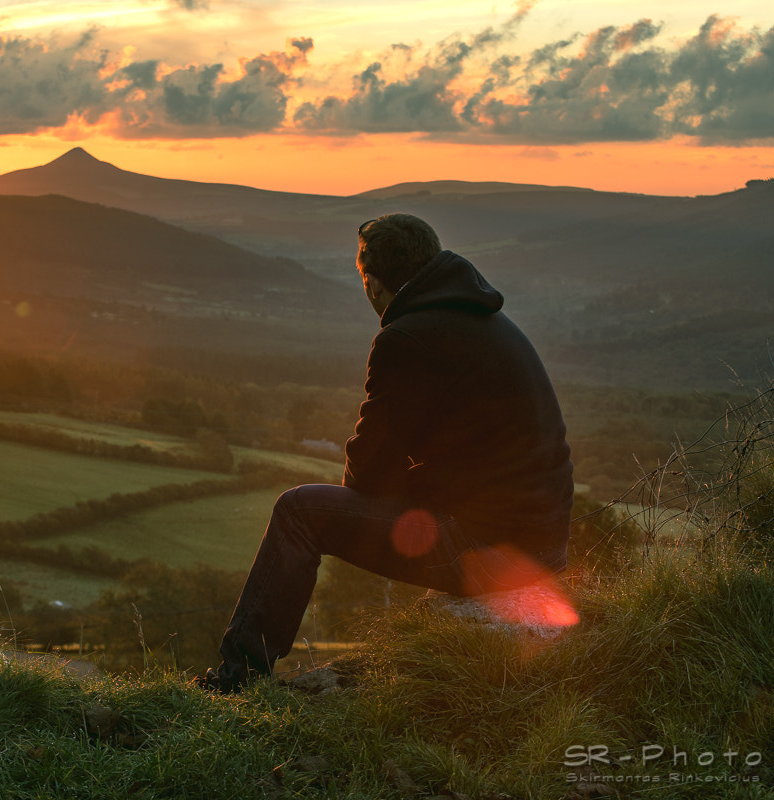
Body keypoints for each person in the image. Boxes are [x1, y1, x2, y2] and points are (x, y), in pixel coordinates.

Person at [195, 213, 574, 692]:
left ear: (373, 284)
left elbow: (367, 475)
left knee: (300, 512)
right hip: (539, 543)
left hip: (488, 549)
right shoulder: (484, 316)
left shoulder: (406, 338)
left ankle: (236, 679)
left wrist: (404, 475)